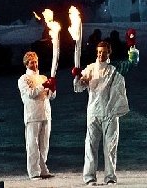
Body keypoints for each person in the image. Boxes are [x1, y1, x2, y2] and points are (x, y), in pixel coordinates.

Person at [73, 40, 140, 185]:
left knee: (110, 147)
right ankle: (89, 177)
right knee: (90, 146)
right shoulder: (90, 69)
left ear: (109, 53)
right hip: (93, 113)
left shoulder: (115, 68)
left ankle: (110, 177)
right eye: (99, 52)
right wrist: (78, 77)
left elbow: (131, 63)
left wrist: (133, 49)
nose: (100, 55)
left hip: (110, 113)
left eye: (104, 52)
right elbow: (78, 88)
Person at [18, 51, 57, 180]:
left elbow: (50, 96)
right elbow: (31, 94)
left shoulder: (43, 77)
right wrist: (44, 86)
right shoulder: (23, 79)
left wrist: (52, 88)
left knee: (44, 145)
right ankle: (34, 172)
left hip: (45, 114)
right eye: (31, 62)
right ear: (26, 64)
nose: (34, 64)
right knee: (33, 145)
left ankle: (43, 170)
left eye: (35, 62)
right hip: (32, 115)